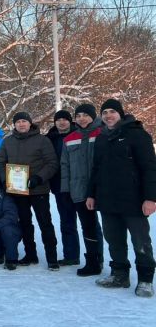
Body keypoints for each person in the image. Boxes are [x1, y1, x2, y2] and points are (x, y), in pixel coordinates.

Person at [87, 99, 156, 297]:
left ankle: (145, 279)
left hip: (133, 199)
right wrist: (91, 194)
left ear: (121, 113)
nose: (108, 115)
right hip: (108, 199)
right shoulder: (101, 138)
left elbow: (150, 168)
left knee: (140, 241)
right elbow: (96, 169)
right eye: (105, 112)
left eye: (112, 112)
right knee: (114, 239)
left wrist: (151, 198)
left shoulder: (137, 134)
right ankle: (119, 274)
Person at [0, 112, 60, 270]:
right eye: (18, 122)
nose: (21, 124)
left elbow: (52, 163)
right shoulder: (7, 141)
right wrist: (6, 180)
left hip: (39, 189)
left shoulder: (42, 140)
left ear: (30, 123)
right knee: (25, 224)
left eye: (24, 121)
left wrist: (39, 178)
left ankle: (52, 258)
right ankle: (30, 254)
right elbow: (0, 163)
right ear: (15, 125)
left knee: (45, 223)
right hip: (18, 190)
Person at [60, 103, 105, 276]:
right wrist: (65, 190)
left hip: (102, 189)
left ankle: (114, 263)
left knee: (109, 227)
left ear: (93, 116)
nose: (81, 118)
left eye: (85, 115)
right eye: (78, 116)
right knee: (88, 226)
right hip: (79, 189)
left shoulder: (103, 133)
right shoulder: (69, 139)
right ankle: (93, 261)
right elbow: (65, 166)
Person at [46, 110, 80, 266]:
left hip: (80, 185)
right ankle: (71, 255)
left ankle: (95, 258)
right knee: (67, 221)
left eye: (65, 119)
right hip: (60, 185)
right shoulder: (49, 139)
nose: (61, 122)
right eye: (58, 120)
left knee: (90, 223)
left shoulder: (80, 134)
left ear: (70, 121)